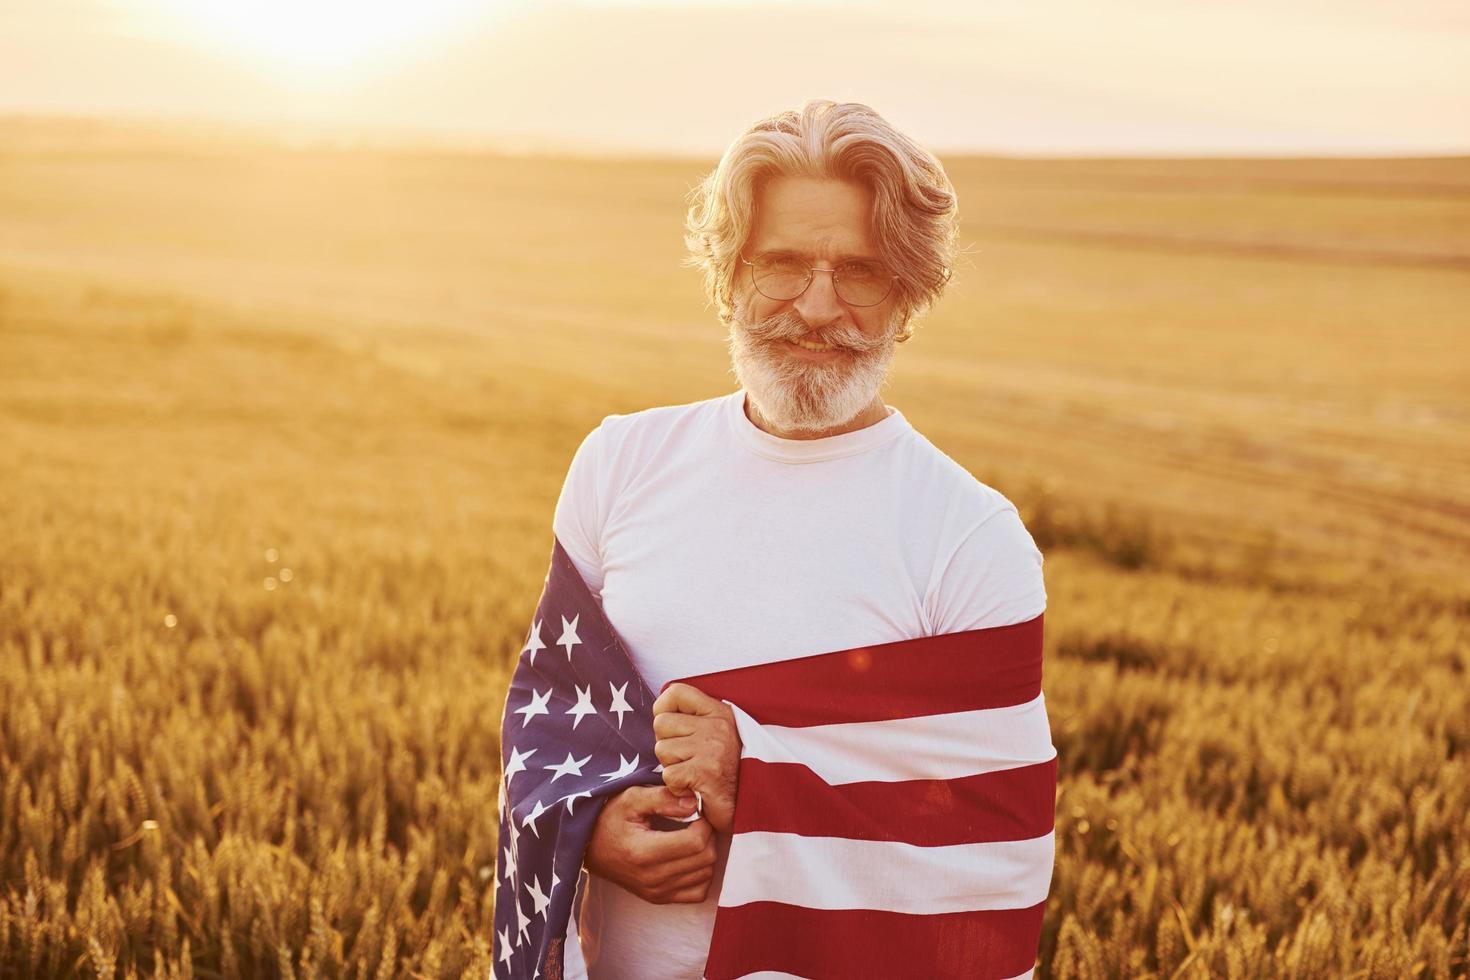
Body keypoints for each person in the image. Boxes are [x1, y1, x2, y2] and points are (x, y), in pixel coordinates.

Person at [551, 100, 1049, 979]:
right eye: (781, 263)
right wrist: (586, 829)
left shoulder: (970, 539)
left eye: (859, 272)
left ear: (908, 294)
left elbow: (991, 852)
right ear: (728, 273)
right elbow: (548, 730)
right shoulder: (617, 464)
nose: (817, 308)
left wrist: (758, 786)